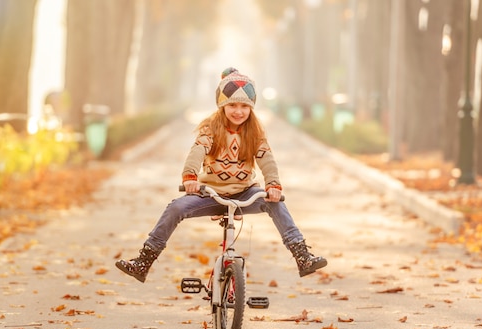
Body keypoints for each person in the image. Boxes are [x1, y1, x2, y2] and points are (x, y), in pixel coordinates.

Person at [115, 67, 327, 283]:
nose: (238, 111)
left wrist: (273, 184)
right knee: (176, 207)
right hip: (210, 194)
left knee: (276, 204)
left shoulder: (255, 132)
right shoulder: (211, 128)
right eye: (232, 105)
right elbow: (197, 151)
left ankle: (302, 256)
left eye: (245, 106)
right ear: (222, 105)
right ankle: (144, 261)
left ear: (251, 108)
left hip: (245, 194)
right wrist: (190, 178)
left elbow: (267, 159)